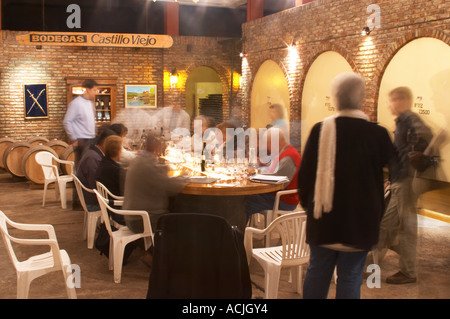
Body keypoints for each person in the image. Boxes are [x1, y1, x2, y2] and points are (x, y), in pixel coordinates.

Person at [297, 72, 395, 299]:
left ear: (335, 98)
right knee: (350, 277)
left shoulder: (320, 130)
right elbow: (397, 170)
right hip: (360, 223)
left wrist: (310, 207)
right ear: (360, 98)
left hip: (324, 220)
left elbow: (305, 176)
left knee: (317, 272)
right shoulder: (377, 134)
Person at [375, 86, 433, 285]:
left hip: (406, 182)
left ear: (402, 101)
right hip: (399, 180)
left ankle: (408, 272)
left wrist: (412, 154)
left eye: (392, 101)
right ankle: (370, 264)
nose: (389, 105)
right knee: (386, 224)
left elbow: (425, 136)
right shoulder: (402, 121)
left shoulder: (408, 119)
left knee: (406, 228)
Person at [122, 132, 188, 234]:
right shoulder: (147, 165)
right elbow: (169, 186)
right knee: (183, 220)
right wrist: (186, 177)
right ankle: (167, 248)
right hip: (143, 219)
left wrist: (166, 168)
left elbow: (155, 173)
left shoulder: (140, 159)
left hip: (134, 215)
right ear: (158, 148)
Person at [245, 127, 301, 224]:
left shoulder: (288, 158)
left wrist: (255, 177)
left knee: (244, 202)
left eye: (268, 144)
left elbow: (279, 183)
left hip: (284, 200)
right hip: (280, 196)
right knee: (245, 197)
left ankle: (239, 235)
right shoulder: (285, 152)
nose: (268, 147)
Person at [64, 79, 98, 209]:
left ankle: (89, 200)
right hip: (82, 141)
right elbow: (67, 121)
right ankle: (77, 202)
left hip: (91, 139)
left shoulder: (89, 104)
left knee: (91, 171)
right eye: (94, 90)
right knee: (80, 172)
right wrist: (74, 138)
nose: (95, 93)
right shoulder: (76, 103)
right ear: (88, 89)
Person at [76, 126, 117, 213]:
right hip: (93, 202)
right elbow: (95, 184)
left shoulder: (94, 153)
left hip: (91, 197)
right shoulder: (93, 158)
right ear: (105, 143)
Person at [95, 135, 126, 225]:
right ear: (118, 151)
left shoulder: (103, 164)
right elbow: (128, 191)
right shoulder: (116, 170)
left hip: (109, 207)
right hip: (119, 211)